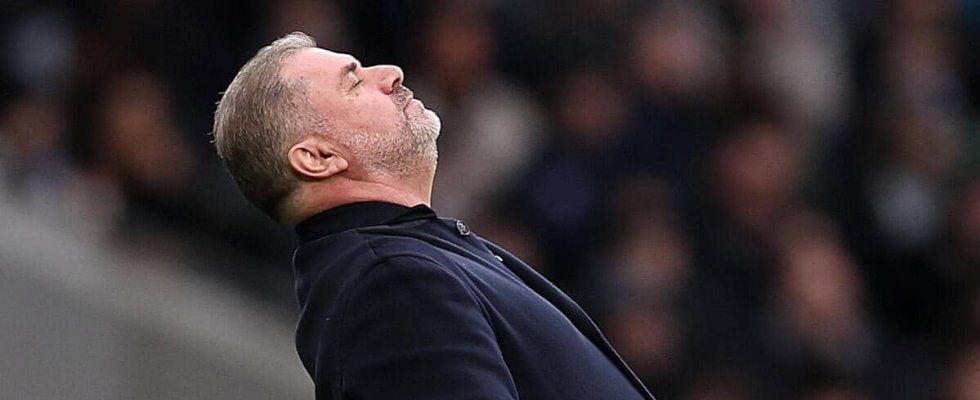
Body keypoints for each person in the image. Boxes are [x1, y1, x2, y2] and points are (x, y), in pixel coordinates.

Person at [212, 31, 656, 400]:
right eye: (354, 82)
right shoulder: (389, 283)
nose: (391, 73)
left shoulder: (406, 261)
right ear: (318, 157)